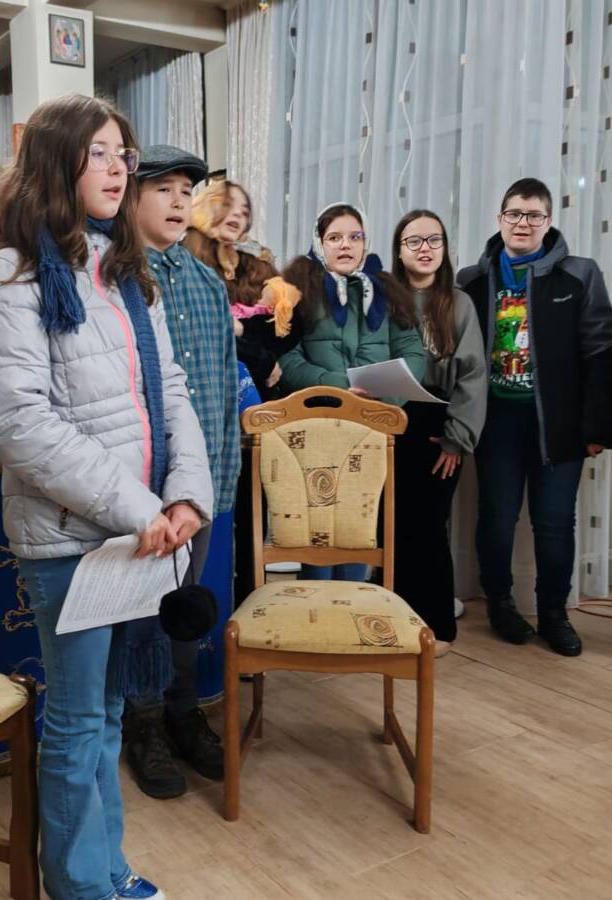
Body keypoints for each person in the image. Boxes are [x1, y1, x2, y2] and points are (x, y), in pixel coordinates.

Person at [0, 95, 213, 900]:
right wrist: (144, 510)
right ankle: (80, 888)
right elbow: (20, 425)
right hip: (74, 540)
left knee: (105, 718)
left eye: (122, 155)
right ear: (54, 162)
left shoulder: (124, 270)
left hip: (136, 535)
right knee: (76, 725)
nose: (117, 170)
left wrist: (187, 497)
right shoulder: (10, 273)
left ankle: (107, 873)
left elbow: (172, 392)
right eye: (98, 153)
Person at [458, 178, 612, 657]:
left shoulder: (579, 274)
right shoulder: (471, 279)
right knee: (497, 518)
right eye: (514, 214)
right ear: (500, 219)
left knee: (554, 523)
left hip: (559, 424)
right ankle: (500, 604)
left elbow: (602, 351)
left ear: (548, 222)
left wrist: (597, 427)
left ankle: (554, 614)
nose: (523, 223)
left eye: (533, 215)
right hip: (497, 422)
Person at [121, 145, 238, 800]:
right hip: (139, 486)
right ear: (130, 196)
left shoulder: (207, 283)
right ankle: (142, 722)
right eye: (162, 188)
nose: (177, 201)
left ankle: (182, 708)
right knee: (141, 607)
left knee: (184, 606)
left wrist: (220, 477)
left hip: (201, 485)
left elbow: (221, 386)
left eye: (185, 191)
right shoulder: (114, 275)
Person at [280, 201, 426, 582]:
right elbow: (287, 360)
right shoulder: (297, 289)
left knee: (360, 529)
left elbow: (413, 354)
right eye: (335, 238)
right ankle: (315, 609)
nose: (345, 245)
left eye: (354, 237)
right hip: (317, 426)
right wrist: (341, 387)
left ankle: (353, 607)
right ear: (319, 243)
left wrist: (386, 395)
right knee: (317, 532)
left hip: (372, 429)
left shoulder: (388, 291)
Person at [389, 210, 487, 657]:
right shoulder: (384, 299)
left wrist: (457, 437)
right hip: (389, 420)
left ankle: (437, 627)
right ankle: (393, 620)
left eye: (434, 240)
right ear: (399, 250)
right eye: (414, 241)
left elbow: (473, 376)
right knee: (391, 525)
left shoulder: (459, 303)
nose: (425, 248)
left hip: (438, 427)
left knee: (430, 526)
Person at [183, 180, 299, 401]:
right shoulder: (183, 260)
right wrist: (257, 355)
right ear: (204, 206)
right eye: (227, 205)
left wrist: (243, 329)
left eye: (244, 212)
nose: (238, 214)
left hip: (259, 391)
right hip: (206, 389)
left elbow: (288, 329)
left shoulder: (256, 261)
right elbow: (200, 331)